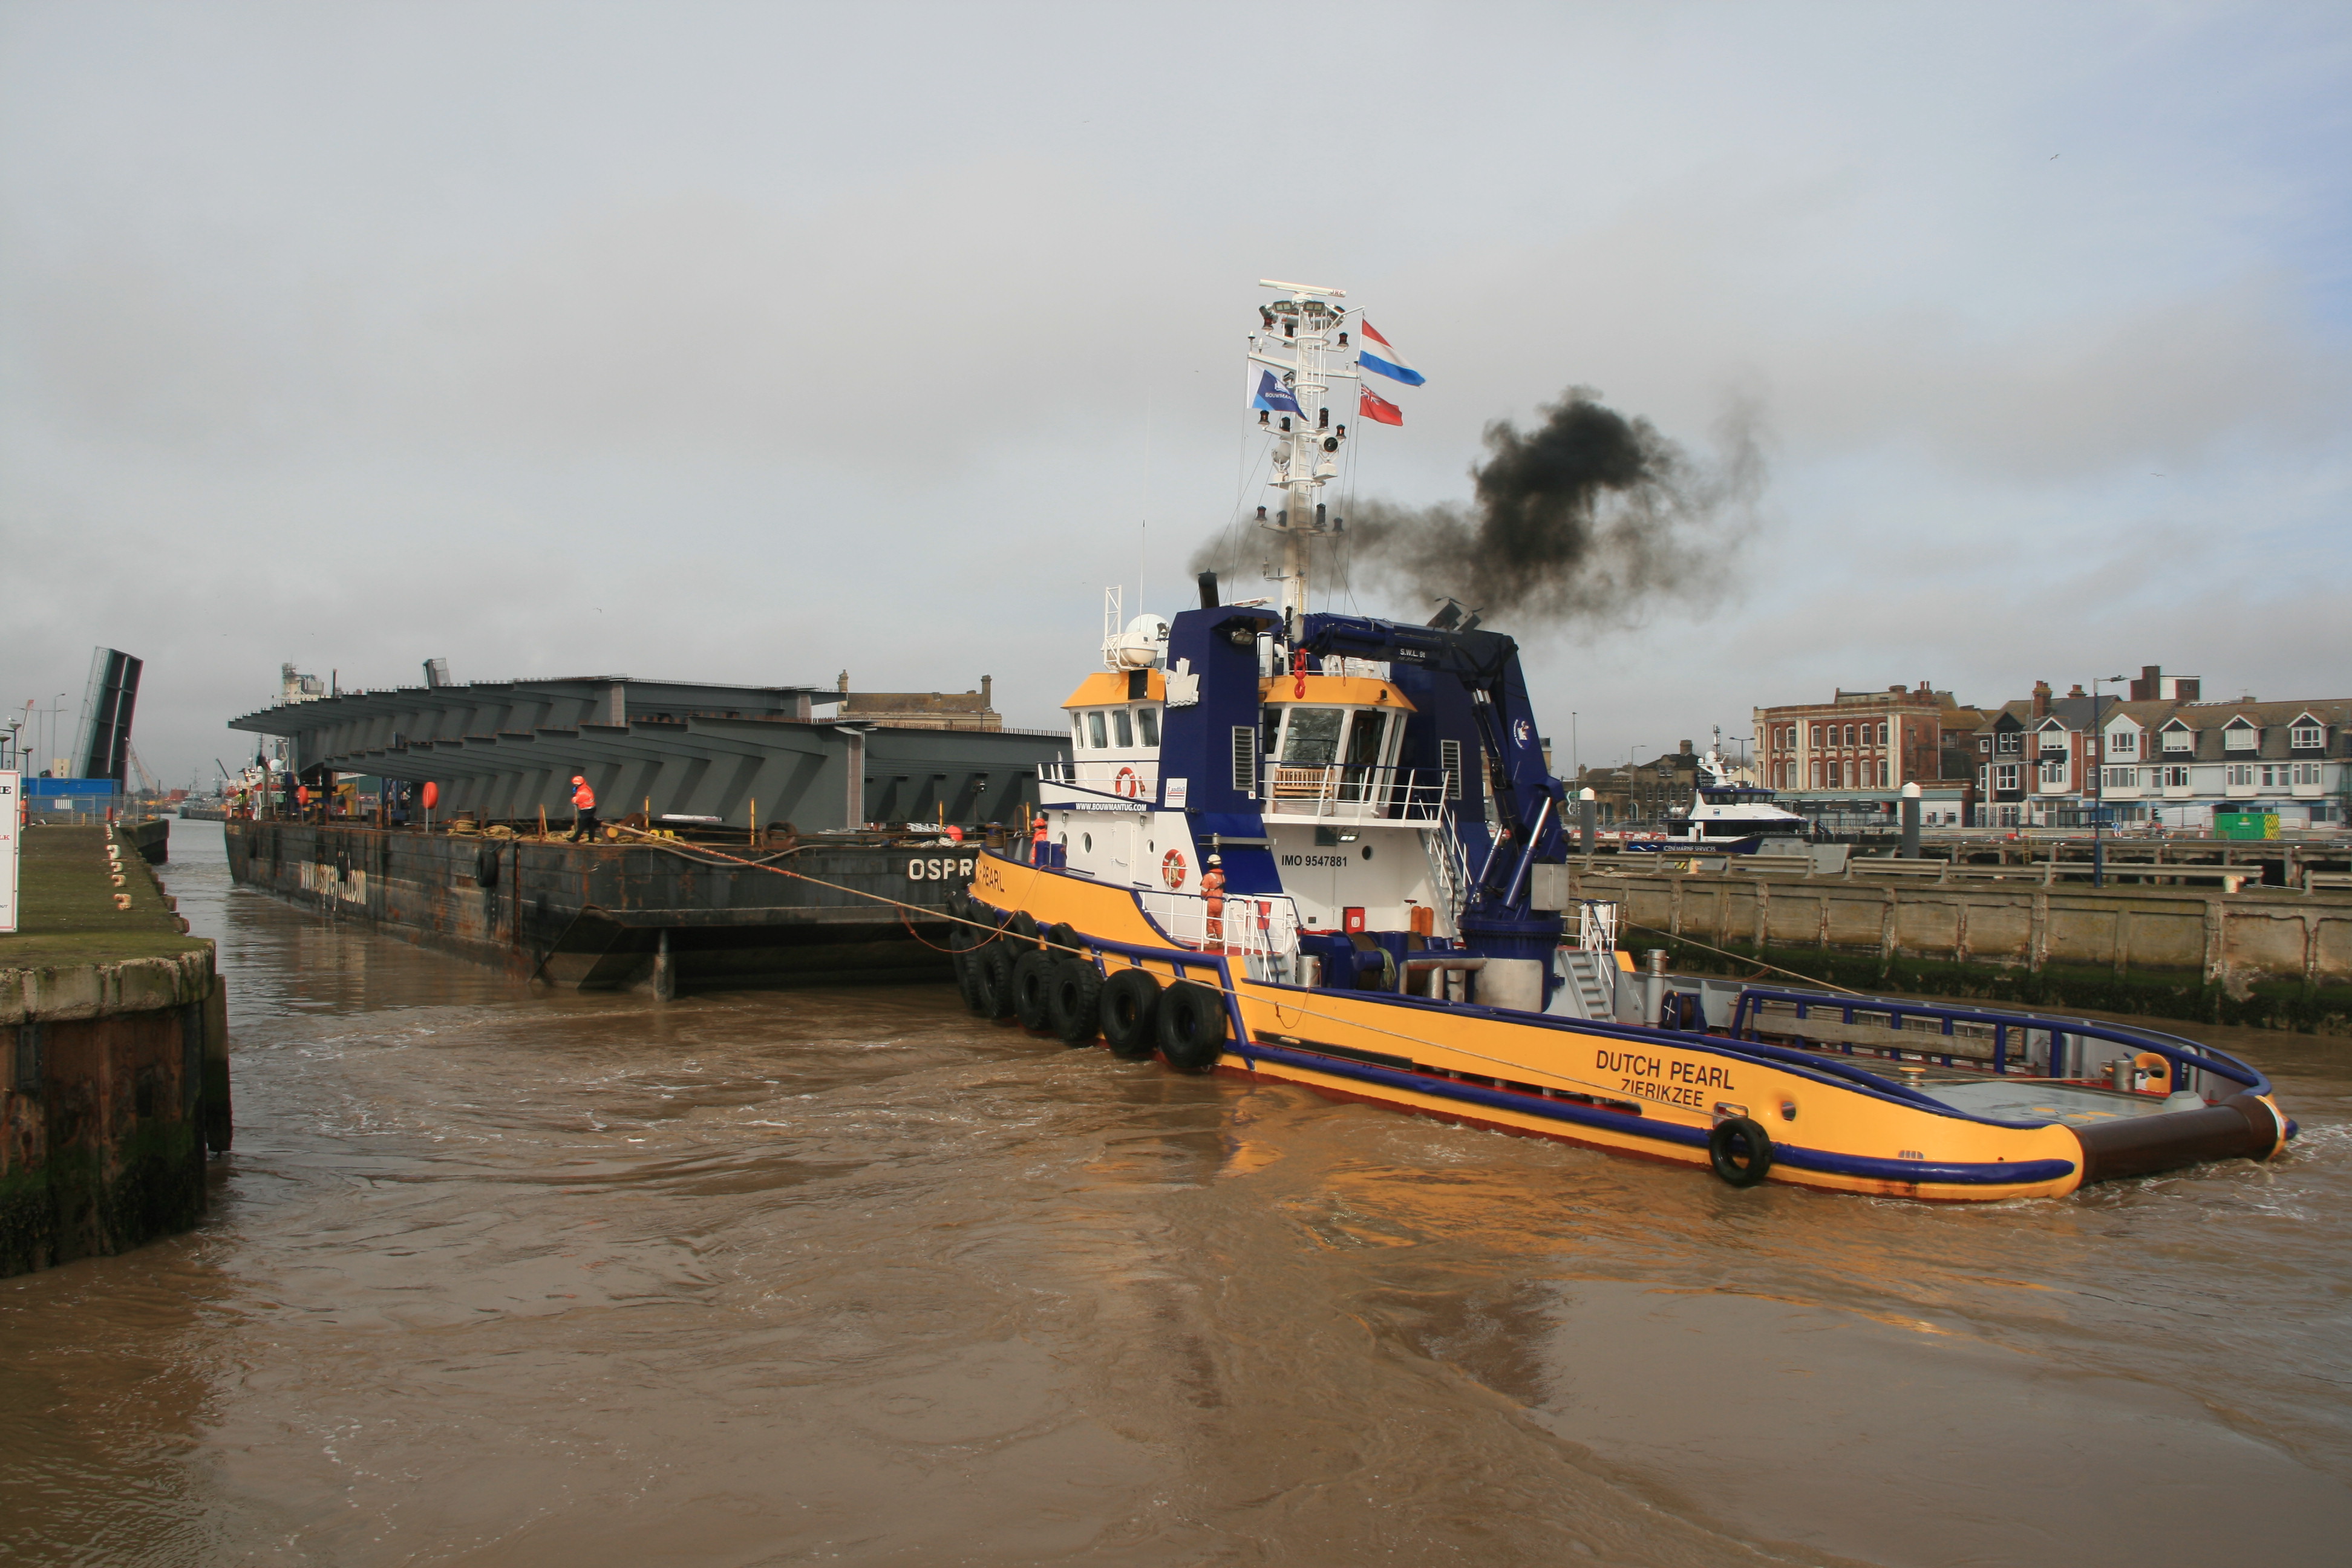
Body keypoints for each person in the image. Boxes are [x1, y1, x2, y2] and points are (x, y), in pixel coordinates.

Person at [1201, 853, 1226, 947]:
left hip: (1211, 903)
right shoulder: (1222, 877)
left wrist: (1203, 897)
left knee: (1209, 922)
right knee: (1218, 921)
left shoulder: (1208, 877)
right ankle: (1220, 942)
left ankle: (1212, 942)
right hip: (1220, 903)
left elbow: (1204, 891)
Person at [570, 774, 599, 841]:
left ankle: (574, 839)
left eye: (577, 785)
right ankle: (591, 840)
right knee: (591, 825)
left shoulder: (583, 792)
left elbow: (576, 801)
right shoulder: (586, 788)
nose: (576, 786)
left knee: (582, 826)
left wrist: (574, 797)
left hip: (587, 810)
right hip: (590, 809)